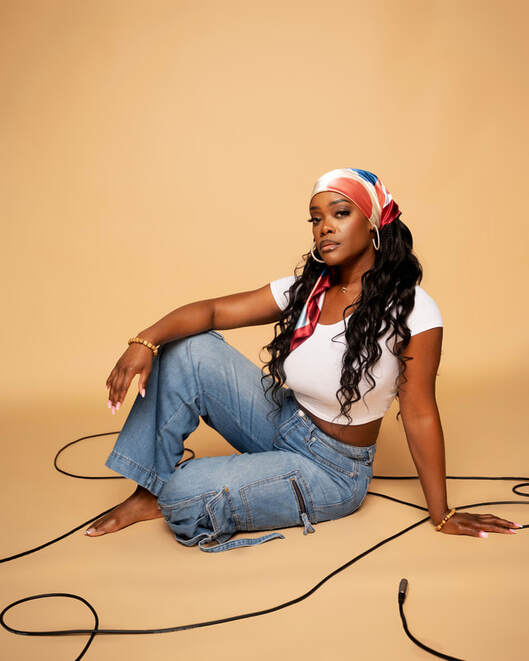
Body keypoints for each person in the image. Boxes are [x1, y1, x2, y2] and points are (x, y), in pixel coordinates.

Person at [84, 167, 521, 551]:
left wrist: (441, 513)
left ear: (373, 223)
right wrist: (144, 341)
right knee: (188, 347)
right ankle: (147, 490)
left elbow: (420, 413)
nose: (324, 228)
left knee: (181, 496)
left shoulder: (413, 309)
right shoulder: (307, 289)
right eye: (316, 219)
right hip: (286, 420)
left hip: (332, 470)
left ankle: (166, 494)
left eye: (340, 213)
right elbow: (213, 312)